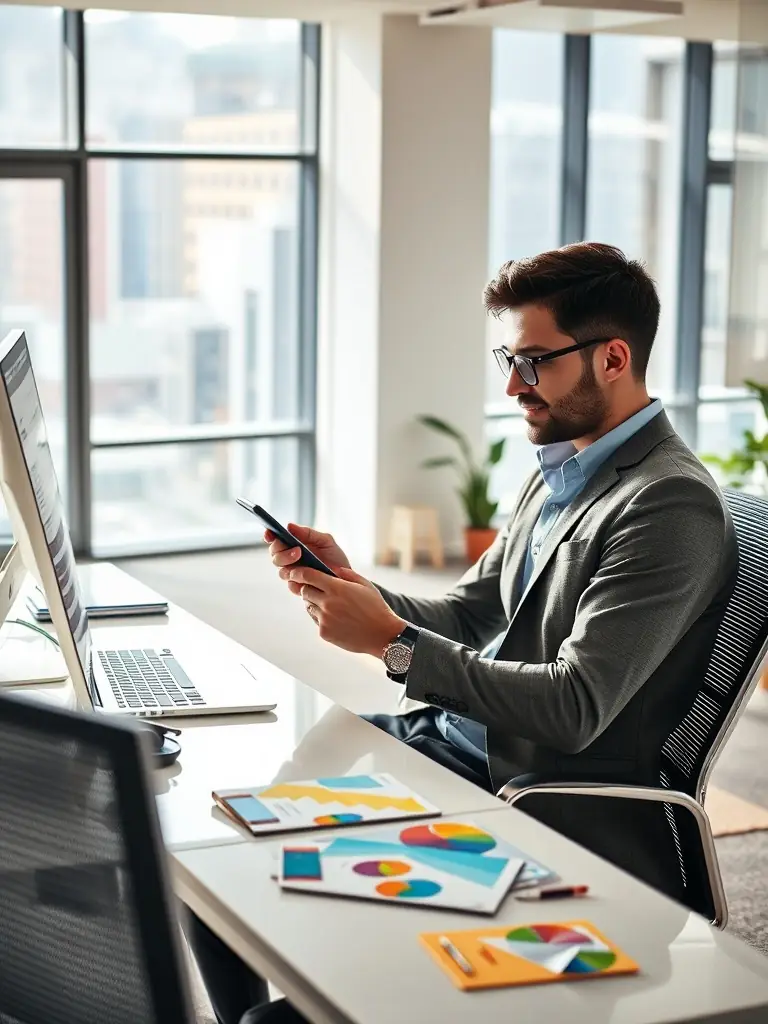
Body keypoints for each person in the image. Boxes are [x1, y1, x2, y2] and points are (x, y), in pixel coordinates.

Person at [188, 241, 738, 1023]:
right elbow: (476, 615)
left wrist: (393, 645)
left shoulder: (667, 504)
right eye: (508, 358)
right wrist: (360, 592)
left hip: (535, 798)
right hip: (447, 752)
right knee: (213, 869)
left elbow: (577, 706)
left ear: (614, 358)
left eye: (535, 361)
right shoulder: (561, 467)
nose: (514, 385)